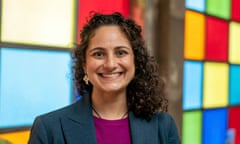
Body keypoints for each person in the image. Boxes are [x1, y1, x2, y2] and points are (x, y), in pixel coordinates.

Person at [28, 12, 180, 144]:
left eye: (121, 52)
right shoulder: (48, 128)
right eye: (98, 54)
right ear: (84, 65)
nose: (110, 64)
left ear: (136, 61)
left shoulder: (163, 126)